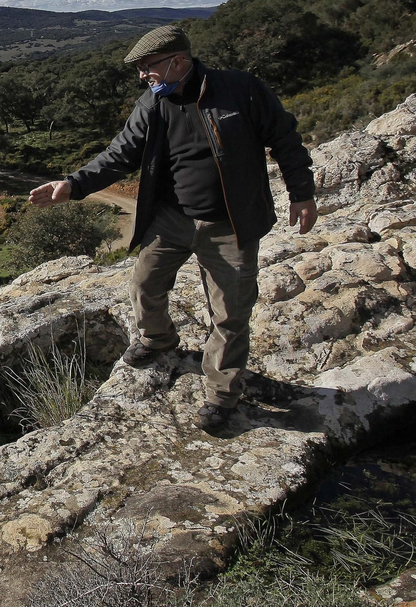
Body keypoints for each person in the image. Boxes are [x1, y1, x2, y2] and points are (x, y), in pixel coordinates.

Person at [28, 25, 318, 432]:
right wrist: (73, 185)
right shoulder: (152, 103)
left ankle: (222, 396)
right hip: (172, 218)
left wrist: (302, 193)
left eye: (148, 67)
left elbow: (285, 138)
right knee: (144, 284)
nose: (142, 75)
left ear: (177, 61)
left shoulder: (241, 89)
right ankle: (158, 339)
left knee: (230, 313)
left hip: (230, 223)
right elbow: (120, 153)